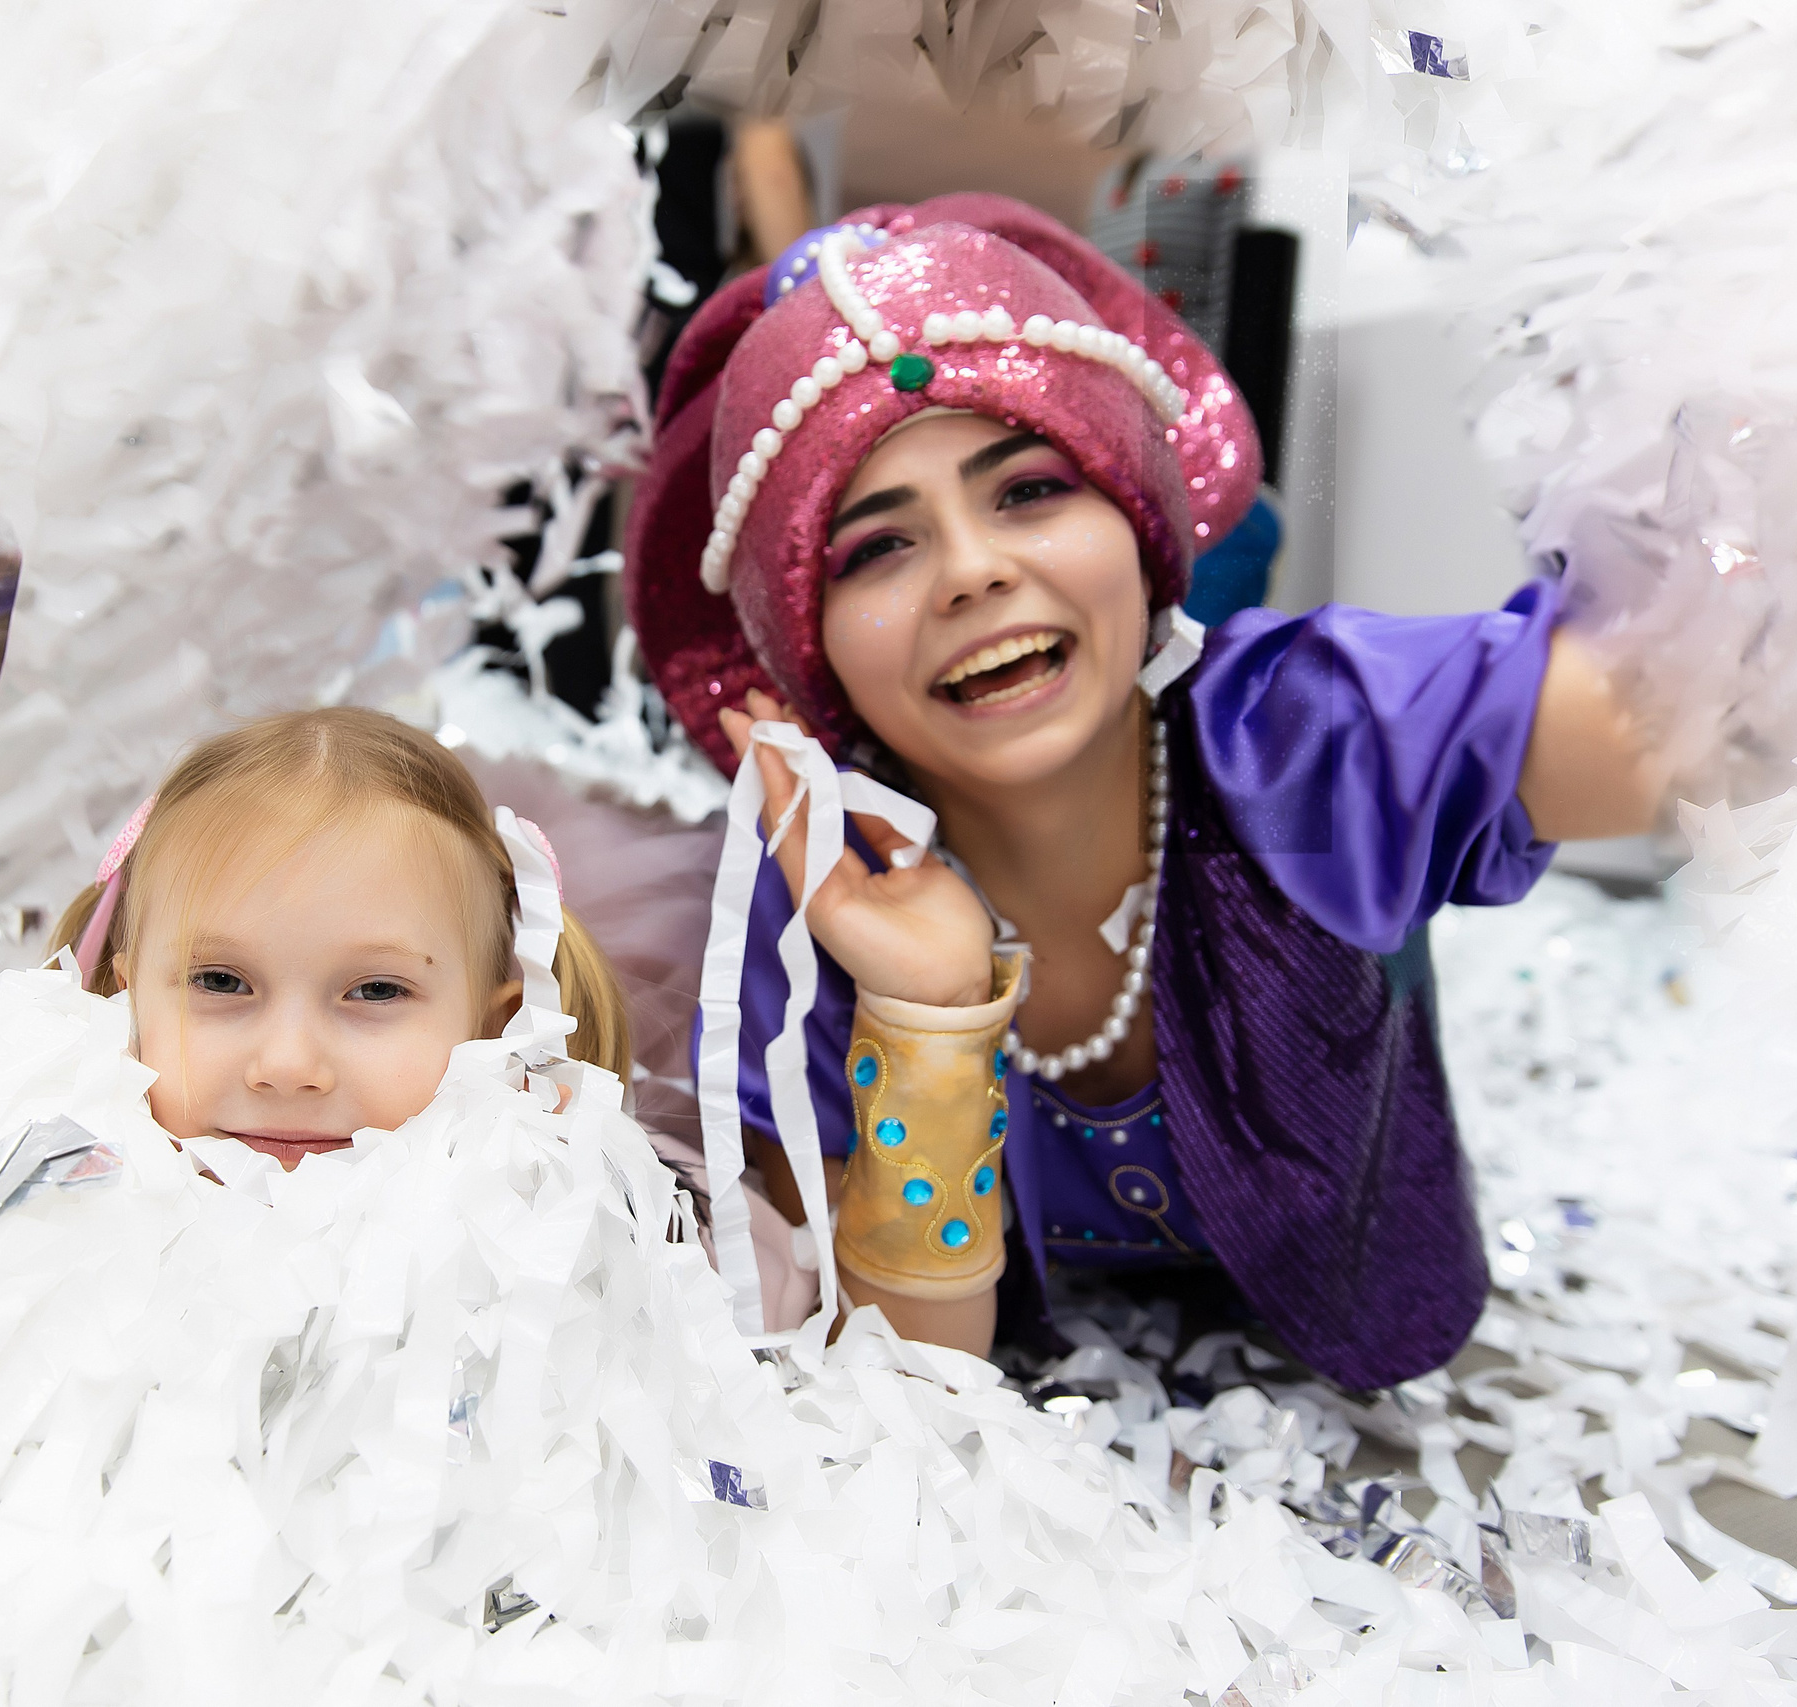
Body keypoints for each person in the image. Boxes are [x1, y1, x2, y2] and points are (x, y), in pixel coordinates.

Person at [624, 193, 1662, 1389]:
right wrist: (930, 1011)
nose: (974, 571)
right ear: (809, 648)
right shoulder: (814, 882)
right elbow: (912, 1383)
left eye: (1029, 491)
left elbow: (1683, 720)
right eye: (875, 548)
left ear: (1136, 516)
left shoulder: (1307, 730)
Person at [48, 707, 633, 1167]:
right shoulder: (29, 1247)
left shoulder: (559, 1282)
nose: (286, 1065)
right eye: (220, 981)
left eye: (377, 991)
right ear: (125, 1004)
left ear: (493, 1033)